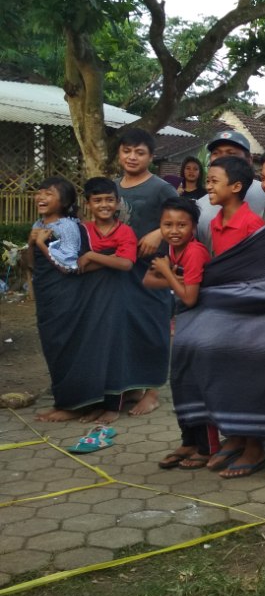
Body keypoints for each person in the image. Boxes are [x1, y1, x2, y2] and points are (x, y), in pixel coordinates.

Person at [170, 145, 265, 479]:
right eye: (263, 177)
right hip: (249, 305)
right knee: (198, 342)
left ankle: (263, 446)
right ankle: (235, 434)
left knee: (257, 352)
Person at [147, 198, 215, 470]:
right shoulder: (173, 250)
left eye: (182, 225)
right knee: (180, 382)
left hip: (202, 323)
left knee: (197, 385)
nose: (174, 231)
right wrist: (174, 275)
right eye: (167, 225)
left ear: (194, 228)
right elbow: (147, 281)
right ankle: (188, 440)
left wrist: (167, 272)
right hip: (187, 325)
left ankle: (208, 446)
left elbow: (189, 297)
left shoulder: (195, 252)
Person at [116, 128, 178, 416]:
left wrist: (158, 233)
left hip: (154, 269)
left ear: (151, 157)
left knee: (154, 328)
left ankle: (152, 392)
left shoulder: (160, 188)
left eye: (139, 152)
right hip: (122, 270)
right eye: (127, 151)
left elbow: (185, 217)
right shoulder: (114, 188)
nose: (132, 157)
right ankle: (132, 386)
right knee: (127, 328)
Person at [77, 177, 138, 424]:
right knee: (92, 352)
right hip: (89, 300)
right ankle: (94, 404)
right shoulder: (82, 230)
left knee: (114, 352)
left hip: (116, 300)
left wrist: (93, 255)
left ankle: (113, 407)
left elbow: (125, 264)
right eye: (98, 200)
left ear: (117, 203)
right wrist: (109, 256)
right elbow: (76, 266)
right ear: (88, 203)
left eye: (109, 200)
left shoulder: (125, 231)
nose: (104, 205)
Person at [31, 177, 85, 422]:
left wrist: (42, 244)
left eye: (49, 193)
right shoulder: (38, 224)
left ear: (64, 201)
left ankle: (74, 404)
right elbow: (31, 264)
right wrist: (32, 244)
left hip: (65, 295)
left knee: (65, 344)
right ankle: (61, 400)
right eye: (39, 193)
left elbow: (70, 266)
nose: (41, 197)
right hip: (46, 296)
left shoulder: (66, 226)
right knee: (52, 346)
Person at [195, 131, 265, 248]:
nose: (223, 158)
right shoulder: (200, 205)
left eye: (231, 153)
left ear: (249, 159)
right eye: (216, 153)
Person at [205, 156, 264, 256]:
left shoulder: (252, 224)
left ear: (236, 187)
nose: (208, 187)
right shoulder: (214, 224)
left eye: (214, 181)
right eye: (207, 181)